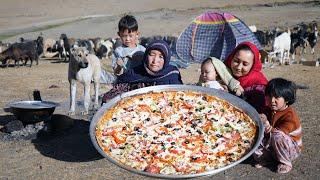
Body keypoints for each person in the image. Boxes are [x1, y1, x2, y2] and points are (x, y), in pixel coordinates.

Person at [102, 40, 183, 104]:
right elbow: (114, 93)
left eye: (161, 57)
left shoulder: (172, 74)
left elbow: (181, 97)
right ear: (146, 56)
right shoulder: (134, 74)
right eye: (152, 55)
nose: (155, 61)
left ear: (166, 59)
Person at [253, 78, 302, 174]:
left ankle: (285, 162)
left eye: (276, 97)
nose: (272, 100)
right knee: (256, 131)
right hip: (274, 147)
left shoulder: (290, 115)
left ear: (287, 99)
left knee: (277, 136)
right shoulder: (268, 109)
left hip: (290, 149)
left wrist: (266, 124)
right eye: (269, 96)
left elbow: (279, 133)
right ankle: (266, 159)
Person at [225, 41, 268, 113]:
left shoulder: (258, 87)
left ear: (253, 65)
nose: (238, 67)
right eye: (236, 61)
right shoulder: (224, 72)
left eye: (245, 64)